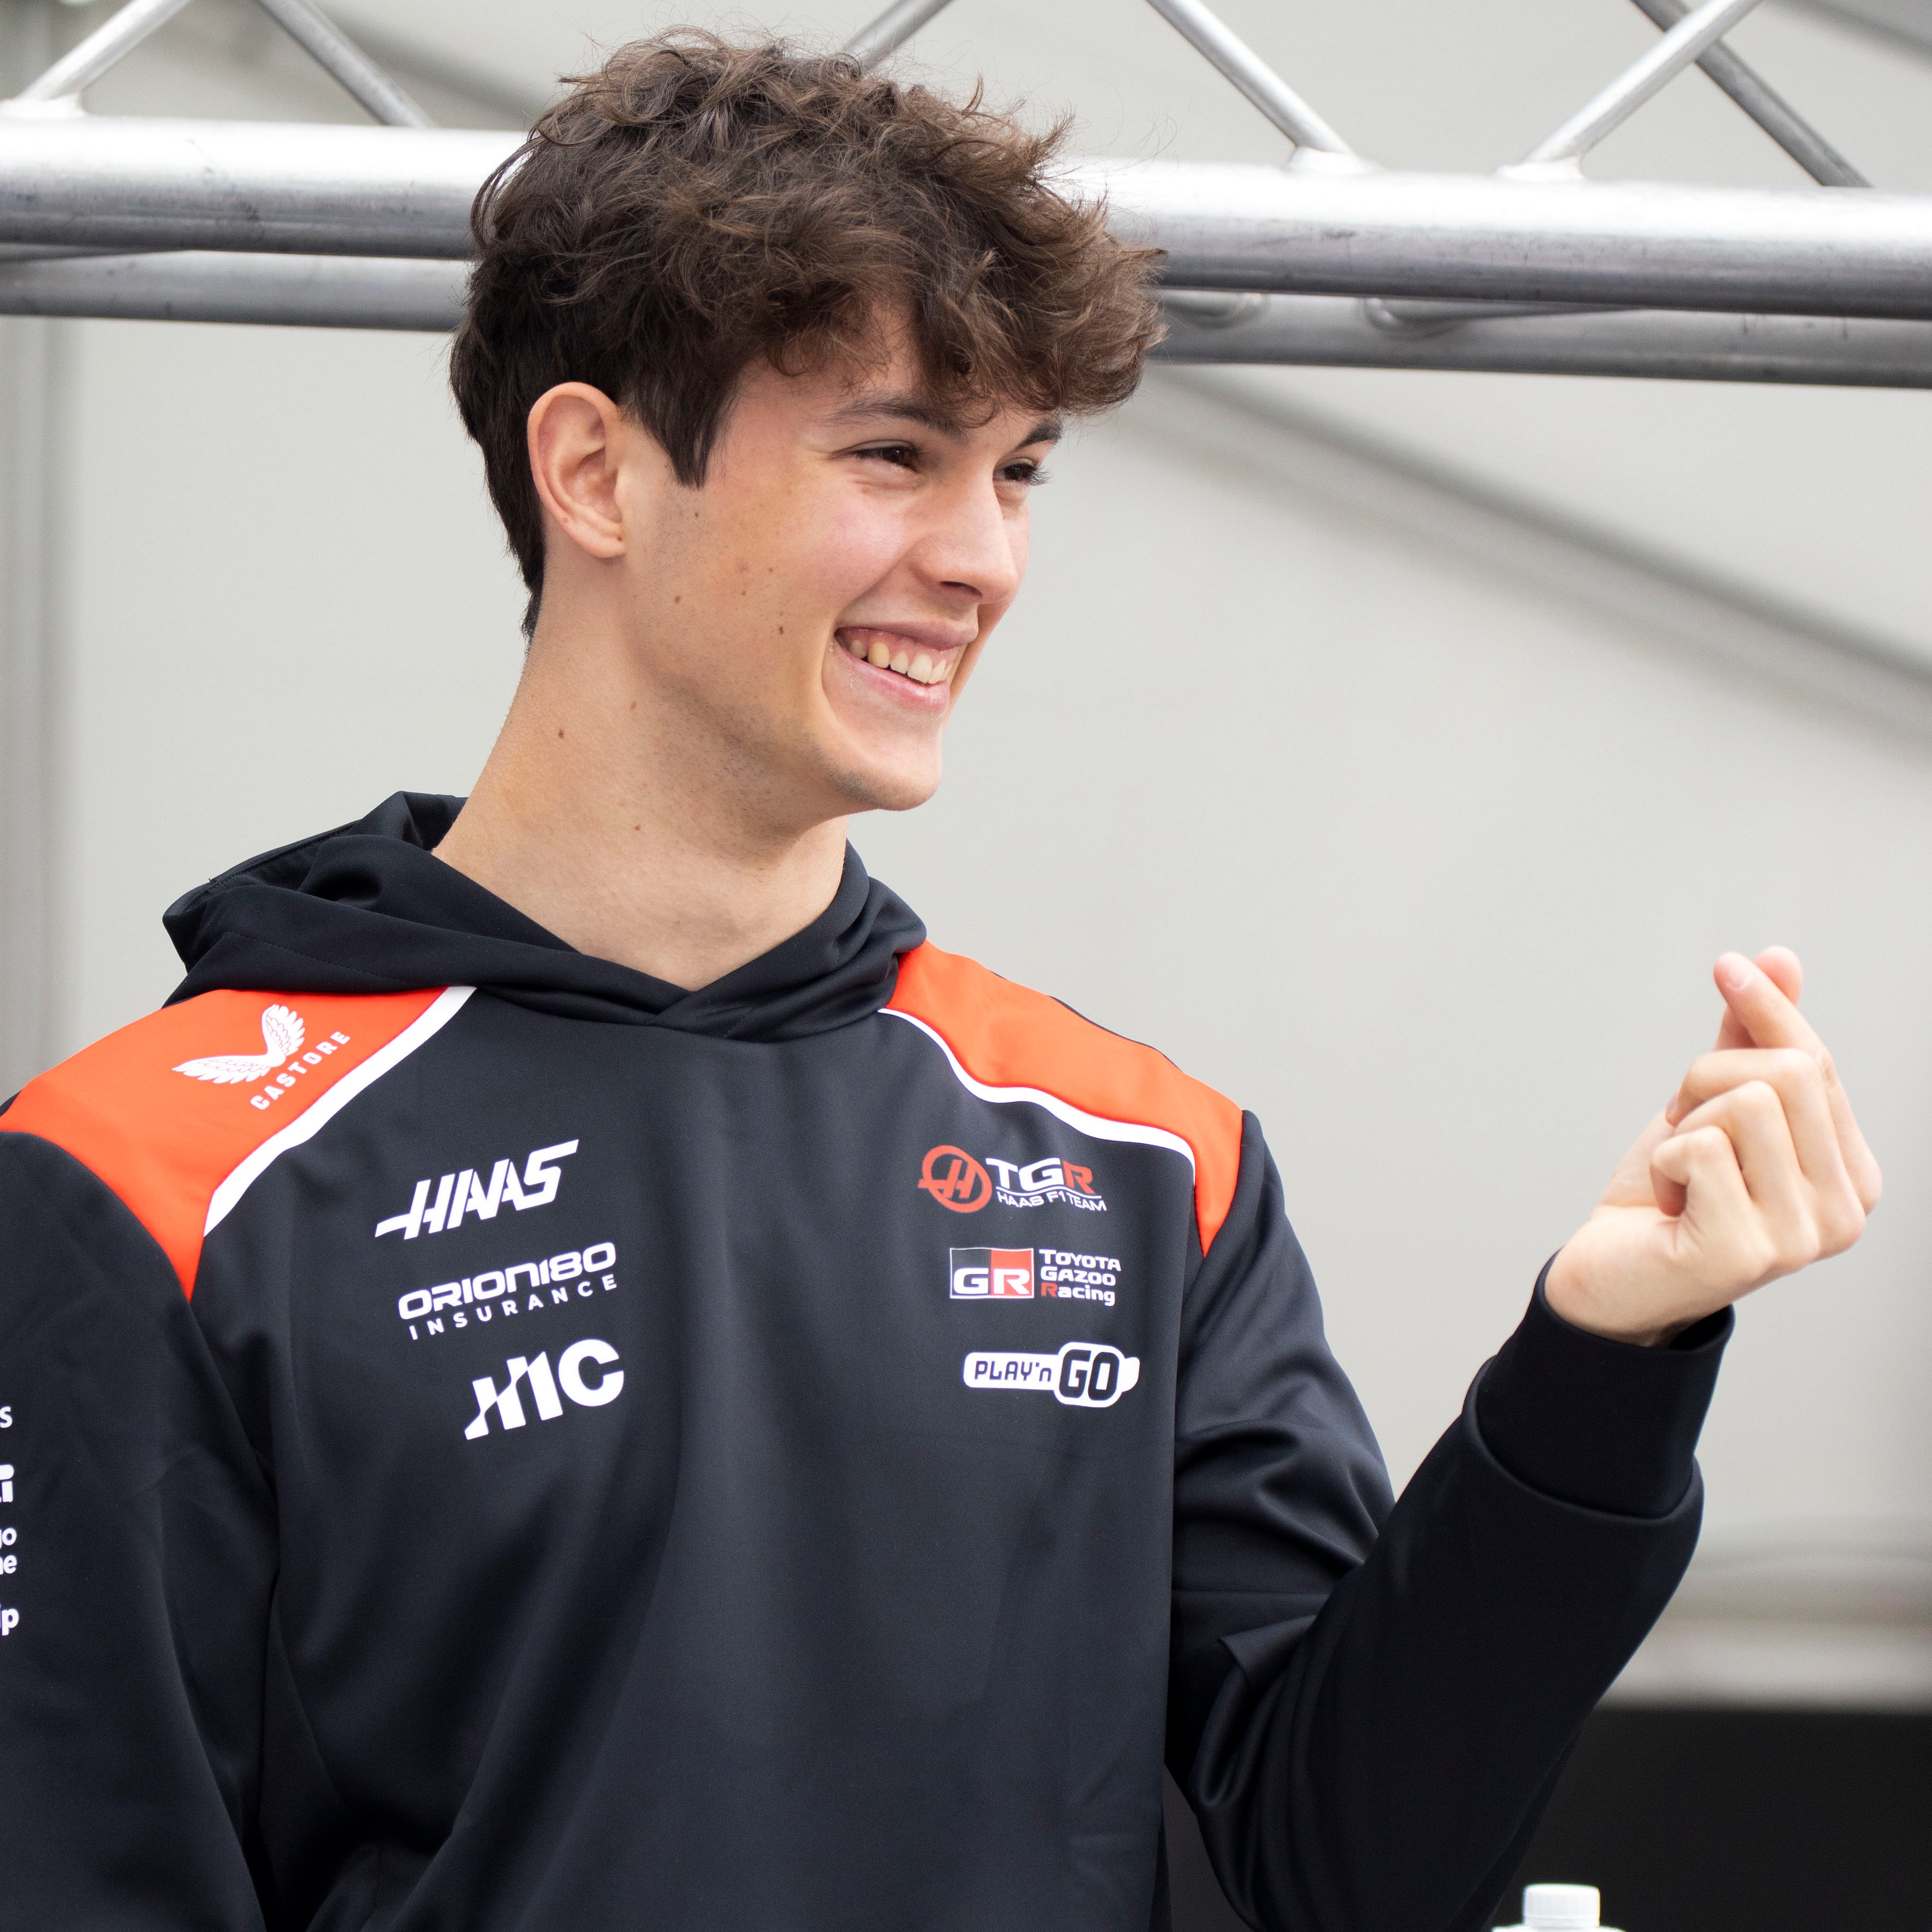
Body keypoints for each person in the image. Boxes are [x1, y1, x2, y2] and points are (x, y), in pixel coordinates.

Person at [0, 35, 1880, 1932]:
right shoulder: (140, 1181)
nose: (982, 559)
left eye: (1019, 472)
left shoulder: (1144, 1160)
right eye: (894, 455)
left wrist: (1600, 1369)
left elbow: (1337, 1874)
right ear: (594, 470)